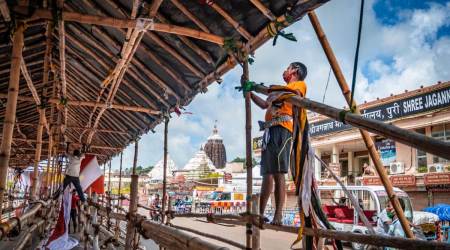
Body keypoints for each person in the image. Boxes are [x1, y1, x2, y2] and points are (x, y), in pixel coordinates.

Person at [250, 62, 307, 225]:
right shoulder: (278, 90)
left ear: (295, 71)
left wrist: (275, 93)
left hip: (283, 130)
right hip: (269, 131)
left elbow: (294, 94)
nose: (285, 71)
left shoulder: (299, 84)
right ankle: (260, 214)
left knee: (278, 173)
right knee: (266, 174)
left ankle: (278, 216)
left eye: (288, 68)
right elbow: (264, 105)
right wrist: (250, 92)